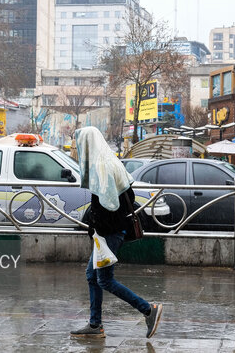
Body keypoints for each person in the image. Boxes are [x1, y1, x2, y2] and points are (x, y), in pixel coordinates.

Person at [70, 126, 163, 339]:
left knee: (104, 279)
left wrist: (97, 228)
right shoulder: (111, 161)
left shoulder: (101, 166)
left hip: (109, 233)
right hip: (114, 230)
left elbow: (107, 205)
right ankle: (95, 325)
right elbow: (128, 192)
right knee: (92, 275)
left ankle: (148, 310)